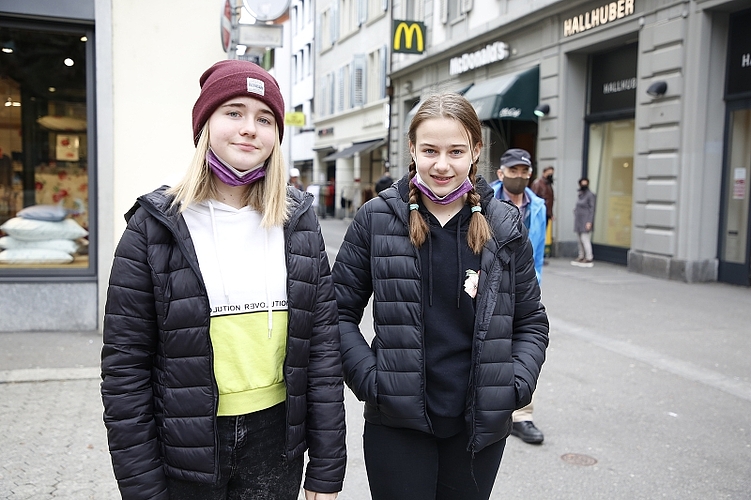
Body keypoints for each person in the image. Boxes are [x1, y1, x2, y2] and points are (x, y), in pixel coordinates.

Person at [100, 60, 346, 500]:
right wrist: (141, 486)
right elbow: (125, 369)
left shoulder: (298, 221)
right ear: (205, 125)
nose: (249, 129)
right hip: (185, 442)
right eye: (233, 112)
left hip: (276, 443)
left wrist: (327, 470)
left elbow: (323, 352)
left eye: (264, 118)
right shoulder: (154, 226)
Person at [332, 93, 548, 500]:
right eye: (430, 150)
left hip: (478, 426)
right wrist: (373, 382)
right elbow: (337, 312)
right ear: (412, 149)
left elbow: (531, 321)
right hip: (397, 424)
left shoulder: (504, 224)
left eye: (456, 151)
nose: (442, 164)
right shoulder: (377, 219)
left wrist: (514, 386)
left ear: (476, 151)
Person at [493, 148, 547, 444]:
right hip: (488, 286)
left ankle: (522, 415)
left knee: (525, 345)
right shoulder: (482, 200)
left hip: (524, 287)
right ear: (501, 173)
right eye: (513, 171)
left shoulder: (537, 206)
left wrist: (535, 287)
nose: (519, 176)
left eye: (524, 171)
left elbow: (537, 255)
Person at [530, 165, 554, 260]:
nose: (551, 175)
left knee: (542, 235)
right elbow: (533, 198)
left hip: (546, 213)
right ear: (544, 172)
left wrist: (551, 214)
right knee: (536, 234)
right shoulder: (538, 183)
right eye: (549, 172)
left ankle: (539, 256)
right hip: (539, 213)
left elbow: (550, 200)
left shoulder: (548, 184)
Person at [572, 176, 596, 267]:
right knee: (579, 239)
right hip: (578, 219)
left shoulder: (590, 195)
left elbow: (592, 209)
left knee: (584, 238)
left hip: (585, 219)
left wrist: (589, 221)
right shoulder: (580, 194)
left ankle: (589, 256)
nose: (583, 185)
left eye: (585, 183)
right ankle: (581, 255)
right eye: (582, 183)